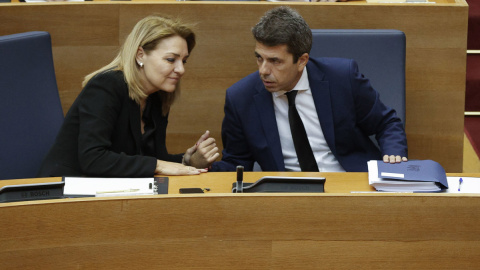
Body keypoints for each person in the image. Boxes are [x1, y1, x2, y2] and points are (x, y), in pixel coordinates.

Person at [210, 6, 407, 172]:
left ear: (302, 60)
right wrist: (201, 165)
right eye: (259, 58)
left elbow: (386, 123)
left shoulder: (342, 78)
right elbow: (236, 163)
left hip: (349, 184)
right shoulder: (240, 98)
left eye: (275, 61)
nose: (263, 70)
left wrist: (393, 155)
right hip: (287, 196)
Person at [38, 14, 219, 177]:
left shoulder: (157, 97)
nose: (181, 70)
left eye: (184, 61)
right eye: (171, 60)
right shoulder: (106, 86)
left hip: (110, 192)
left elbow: (152, 159)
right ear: (140, 55)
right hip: (63, 192)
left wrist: (187, 161)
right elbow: (93, 159)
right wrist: (158, 164)